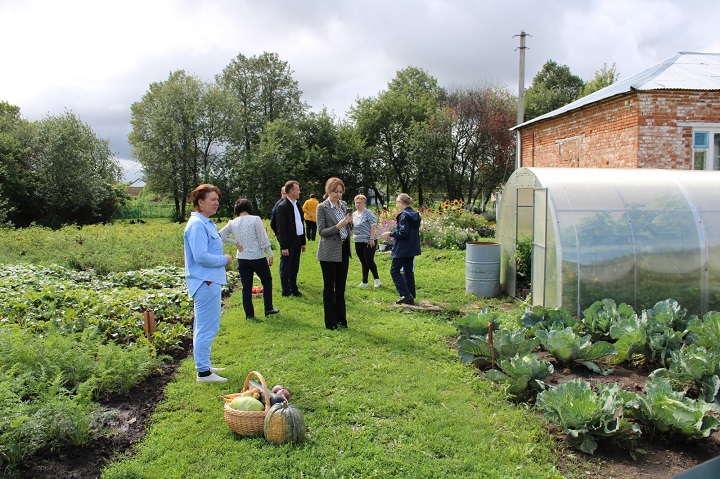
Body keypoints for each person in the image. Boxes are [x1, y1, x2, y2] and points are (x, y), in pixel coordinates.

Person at [183, 184, 234, 383]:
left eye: (217, 199)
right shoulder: (197, 225)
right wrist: (224, 259)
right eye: (212, 199)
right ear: (200, 202)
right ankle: (203, 373)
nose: (216, 203)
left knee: (204, 326)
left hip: (208, 281)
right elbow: (201, 256)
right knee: (206, 327)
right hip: (205, 281)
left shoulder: (205, 223)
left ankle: (204, 364)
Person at [219, 198, 280, 321]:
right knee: (267, 281)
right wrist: (270, 254)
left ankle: (249, 315)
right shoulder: (255, 219)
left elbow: (220, 235)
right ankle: (268, 308)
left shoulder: (232, 222)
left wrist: (234, 242)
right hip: (257, 257)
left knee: (246, 287)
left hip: (242, 258)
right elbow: (263, 238)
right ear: (249, 208)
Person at [316, 177, 353, 329]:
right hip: (329, 252)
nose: (338, 195)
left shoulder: (343, 205)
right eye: (335, 192)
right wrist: (339, 226)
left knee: (341, 288)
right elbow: (322, 231)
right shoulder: (322, 207)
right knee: (329, 288)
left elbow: (348, 229)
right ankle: (330, 322)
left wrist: (350, 224)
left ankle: (341, 320)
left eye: (340, 192)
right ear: (328, 191)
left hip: (343, 249)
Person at [381, 193, 421, 305]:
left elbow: (403, 233)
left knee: (394, 271)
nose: (397, 204)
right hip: (412, 248)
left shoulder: (404, 215)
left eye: (397, 202)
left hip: (402, 248)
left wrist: (390, 233)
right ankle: (411, 296)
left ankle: (405, 294)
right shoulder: (415, 214)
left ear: (401, 203)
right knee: (408, 271)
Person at [275, 180, 306, 297]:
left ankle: (294, 288)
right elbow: (281, 229)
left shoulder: (297, 204)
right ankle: (286, 291)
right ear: (291, 191)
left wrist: (303, 242)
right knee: (286, 267)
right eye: (297, 189)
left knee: (295, 266)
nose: (299, 191)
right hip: (288, 242)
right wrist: (284, 246)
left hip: (297, 240)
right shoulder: (282, 207)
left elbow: (300, 223)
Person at [352, 194, 381, 288]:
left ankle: (377, 280)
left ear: (364, 203)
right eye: (356, 203)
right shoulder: (354, 214)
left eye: (360, 203)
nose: (358, 205)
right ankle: (365, 282)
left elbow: (373, 225)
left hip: (368, 240)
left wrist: (371, 238)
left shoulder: (368, 213)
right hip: (358, 240)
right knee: (363, 262)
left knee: (369, 260)